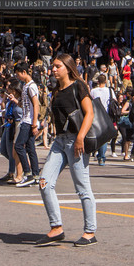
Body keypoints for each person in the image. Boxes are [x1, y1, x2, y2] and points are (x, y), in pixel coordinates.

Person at [36, 53, 97, 246]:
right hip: (59, 141)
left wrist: (80, 138)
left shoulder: (78, 86)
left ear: (68, 68)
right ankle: (56, 228)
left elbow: (89, 113)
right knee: (44, 182)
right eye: (53, 66)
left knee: (82, 187)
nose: (53, 69)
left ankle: (90, 231)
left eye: (57, 66)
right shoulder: (55, 90)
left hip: (75, 141)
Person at [14, 61, 43, 182]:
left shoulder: (31, 86)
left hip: (29, 121)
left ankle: (28, 171)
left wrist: (34, 123)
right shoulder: (26, 86)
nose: (17, 77)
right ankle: (35, 174)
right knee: (30, 148)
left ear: (24, 72)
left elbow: (36, 105)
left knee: (19, 146)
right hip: (27, 119)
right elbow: (25, 104)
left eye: (18, 74)